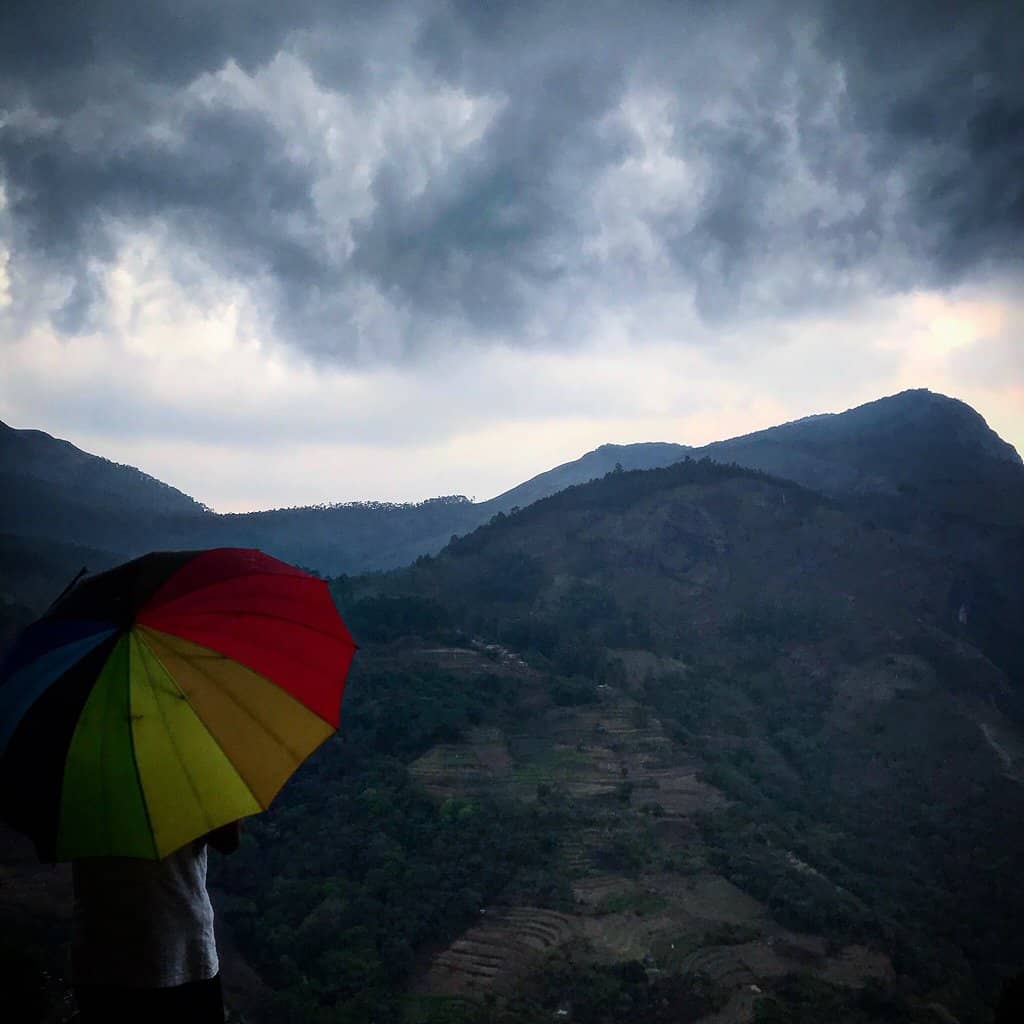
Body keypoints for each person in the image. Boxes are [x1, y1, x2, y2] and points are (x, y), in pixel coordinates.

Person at [70, 822, 241, 1024]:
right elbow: (227, 841)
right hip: (181, 948)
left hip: (100, 948)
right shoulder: (183, 789)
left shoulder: (77, 793)